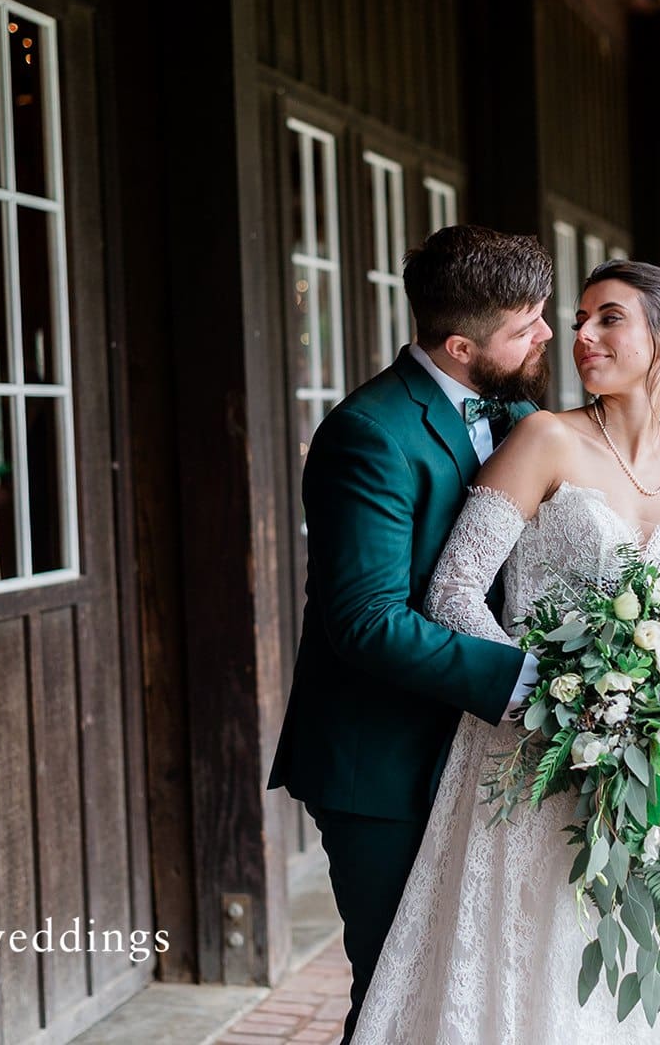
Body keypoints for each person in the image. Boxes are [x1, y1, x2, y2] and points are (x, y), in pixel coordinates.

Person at [349, 260, 660, 1043]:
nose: (582, 337)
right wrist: (559, 701)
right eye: (579, 322)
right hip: (529, 754)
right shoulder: (543, 437)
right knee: (541, 963)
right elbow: (454, 593)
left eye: (609, 318)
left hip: (659, 763)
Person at [267, 225, 557, 1042]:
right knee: (397, 991)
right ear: (461, 346)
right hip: (383, 764)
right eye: (526, 326)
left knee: (474, 986)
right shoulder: (368, 434)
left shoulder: (523, 415)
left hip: (481, 757)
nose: (547, 334)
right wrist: (529, 682)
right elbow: (366, 622)